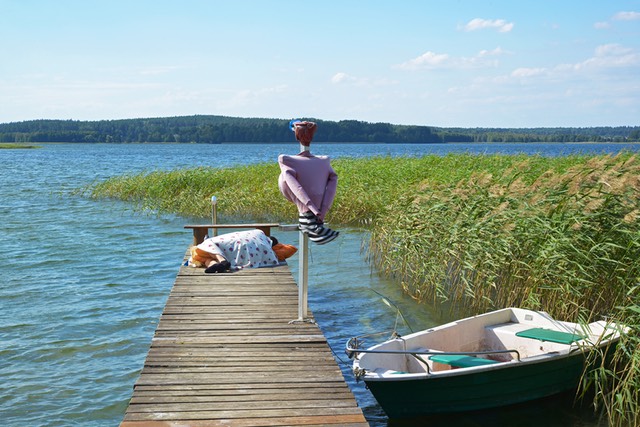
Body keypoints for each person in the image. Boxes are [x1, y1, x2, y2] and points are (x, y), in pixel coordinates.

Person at [278, 120, 339, 245]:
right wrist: (322, 210)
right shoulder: (324, 161)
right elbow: (333, 181)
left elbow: (296, 187)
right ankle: (312, 223)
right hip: (316, 209)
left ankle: (310, 222)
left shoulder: (286, 160)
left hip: (307, 209)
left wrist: (313, 209)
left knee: (286, 176)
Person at [189, 229, 295, 273]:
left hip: (225, 245)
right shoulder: (260, 237)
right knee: (206, 256)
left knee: (210, 245)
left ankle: (221, 261)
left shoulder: (259, 233)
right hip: (234, 249)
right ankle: (215, 265)